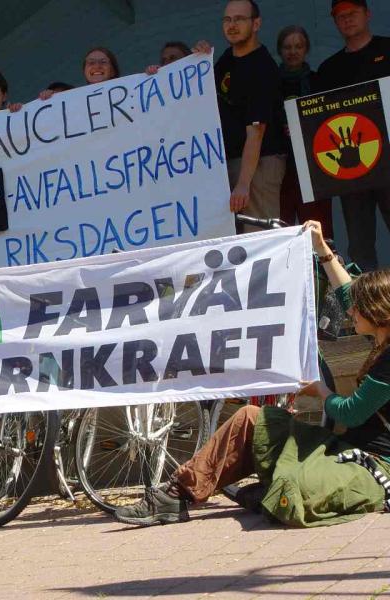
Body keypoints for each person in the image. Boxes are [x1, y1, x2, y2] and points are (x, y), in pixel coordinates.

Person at [113, 219, 390, 528]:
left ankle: (272, 492)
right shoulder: (380, 337)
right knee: (250, 418)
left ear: (377, 313)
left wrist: (318, 391)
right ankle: (174, 496)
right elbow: (346, 293)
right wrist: (321, 247)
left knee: (294, 492)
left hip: (375, 465)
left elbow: (351, 413)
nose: (350, 312)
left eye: (358, 308)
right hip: (343, 449)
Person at [194, 0, 287, 233]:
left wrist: (244, 184)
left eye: (239, 19)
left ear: (256, 24)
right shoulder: (227, 59)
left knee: (258, 240)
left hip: (259, 166)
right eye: (227, 20)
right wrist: (197, 61)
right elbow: (199, 97)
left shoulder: (262, 67)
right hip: (231, 163)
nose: (232, 25)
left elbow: (256, 131)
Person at [316, 0, 390, 270]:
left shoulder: (387, 49)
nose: (346, 19)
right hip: (352, 170)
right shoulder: (328, 69)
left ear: (367, 14)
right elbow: (317, 119)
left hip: (389, 160)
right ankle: (369, 307)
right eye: (340, 16)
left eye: (352, 13)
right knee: (359, 244)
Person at [276, 25, 333, 237]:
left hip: (314, 167)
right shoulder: (272, 83)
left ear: (306, 49)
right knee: (283, 229)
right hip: (282, 167)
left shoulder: (319, 81)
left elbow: (330, 120)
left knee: (320, 229)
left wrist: (306, 129)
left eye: (298, 46)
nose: (293, 52)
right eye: (287, 47)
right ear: (280, 51)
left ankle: (324, 270)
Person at [38, 47, 121, 101]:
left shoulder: (129, 95)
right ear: (85, 71)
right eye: (91, 63)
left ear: (113, 71)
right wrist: (52, 100)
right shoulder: (75, 101)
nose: (97, 66)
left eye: (103, 62)